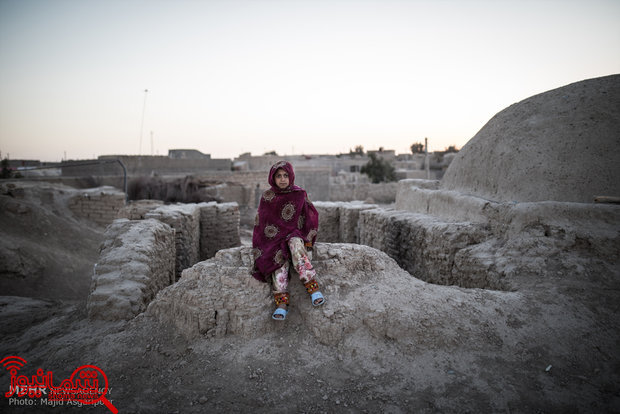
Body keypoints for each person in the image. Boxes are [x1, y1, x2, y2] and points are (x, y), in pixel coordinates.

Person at [252, 160, 325, 320]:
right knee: (277, 257)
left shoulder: (299, 194)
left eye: (286, 175)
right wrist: (266, 243)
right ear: (273, 178)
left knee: (295, 245)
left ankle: (313, 288)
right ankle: (282, 304)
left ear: (291, 176)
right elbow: (261, 223)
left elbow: (309, 216)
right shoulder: (267, 197)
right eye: (278, 176)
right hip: (273, 239)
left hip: (294, 233)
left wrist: (306, 238)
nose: (283, 179)